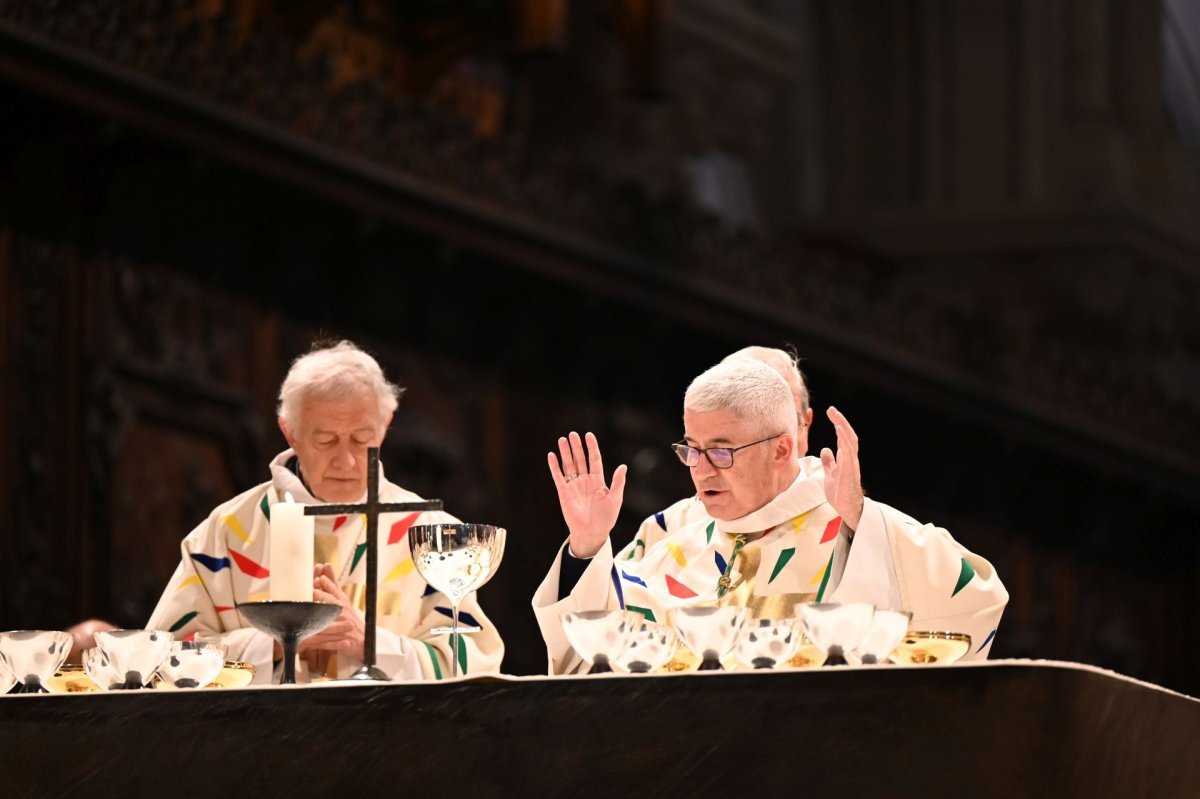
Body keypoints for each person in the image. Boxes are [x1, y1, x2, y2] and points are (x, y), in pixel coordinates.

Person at [532, 356, 1007, 674]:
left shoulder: (848, 527)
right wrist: (587, 548)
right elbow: (587, 667)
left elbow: (973, 602)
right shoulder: (676, 544)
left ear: (783, 449)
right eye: (690, 450)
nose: (700, 471)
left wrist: (863, 520)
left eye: (721, 452)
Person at [148, 340, 503, 682]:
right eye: (326, 440)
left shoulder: (431, 537)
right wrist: (273, 643)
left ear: (386, 425)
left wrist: (368, 642)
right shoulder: (227, 533)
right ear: (290, 432)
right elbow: (161, 660)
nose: (346, 460)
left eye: (362, 439)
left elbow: (475, 666)